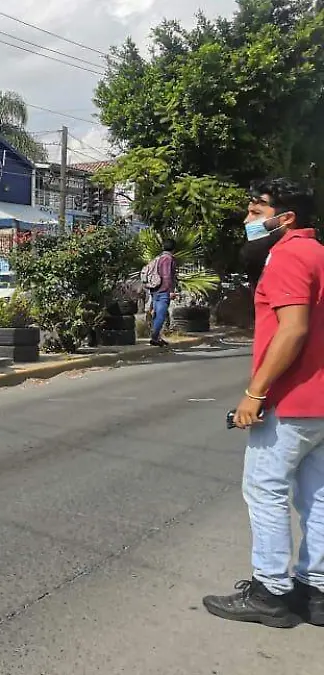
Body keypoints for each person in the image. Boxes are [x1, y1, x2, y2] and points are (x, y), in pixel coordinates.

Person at [203, 178, 324, 628]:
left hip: (290, 402)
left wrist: (254, 394)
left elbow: (293, 330)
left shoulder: (288, 255)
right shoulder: (319, 253)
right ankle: (315, 592)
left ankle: (270, 591)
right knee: (317, 495)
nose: (247, 219)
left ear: (285, 218)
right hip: (320, 404)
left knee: (265, 490)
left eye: (257, 212)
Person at [146, 239, 178, 347]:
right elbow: (166, 276)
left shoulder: (158, 258)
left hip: (155, 289)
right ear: (174, 248)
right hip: (163, 291)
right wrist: (170, 291)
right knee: (161, 315)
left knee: (157, 315)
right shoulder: (168, 259)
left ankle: (157, 338)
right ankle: (154, 337)